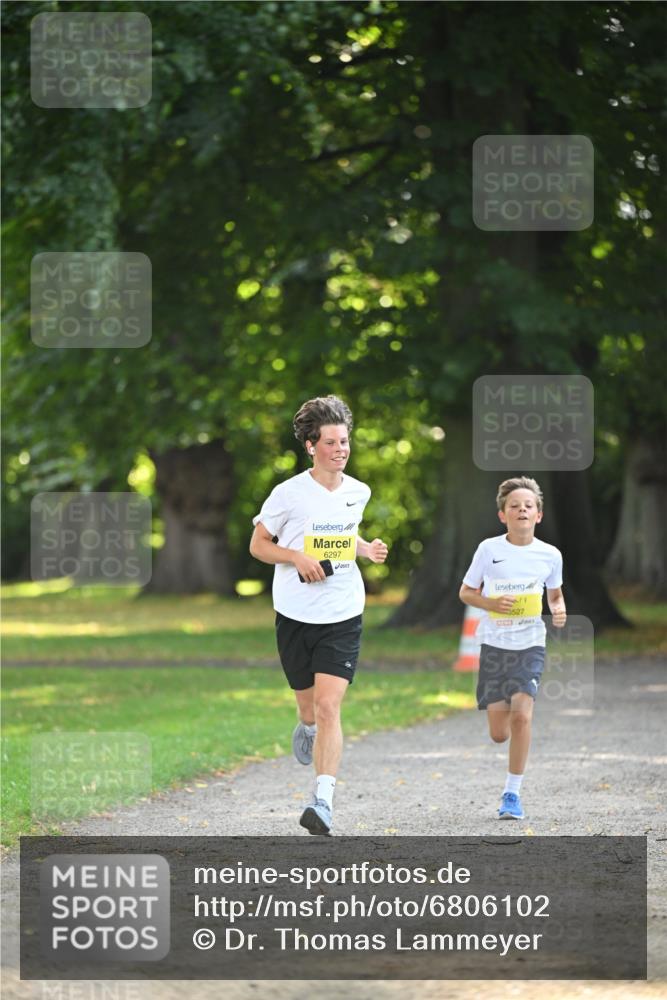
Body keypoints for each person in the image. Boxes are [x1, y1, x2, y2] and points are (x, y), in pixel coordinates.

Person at [249, 395, 388, 835]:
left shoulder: (358, 492)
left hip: (343, 611)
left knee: (330, 707)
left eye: (344, 441)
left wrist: (365, 548)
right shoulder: (288, 494)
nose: (340, 449)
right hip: (294, 613)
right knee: (309, 707)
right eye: (330, 442)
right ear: (311, 446)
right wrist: (295, 557)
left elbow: (343, 536)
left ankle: (322, 800)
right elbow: (258, 545)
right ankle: (304, 725)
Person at [459, 477, 566, 820]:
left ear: (539, 515)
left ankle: (512, 794)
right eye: (514, 506)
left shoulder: (550, 555)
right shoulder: (489, 550)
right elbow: (466, 592)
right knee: (498, 733)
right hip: (494, 645)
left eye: (528, 506)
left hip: (530, 645)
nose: (522, 509)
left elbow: (555, 594)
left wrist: (559, 608)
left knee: (522, 714)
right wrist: (490, 602)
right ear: (503, 515)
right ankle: (501, 728)